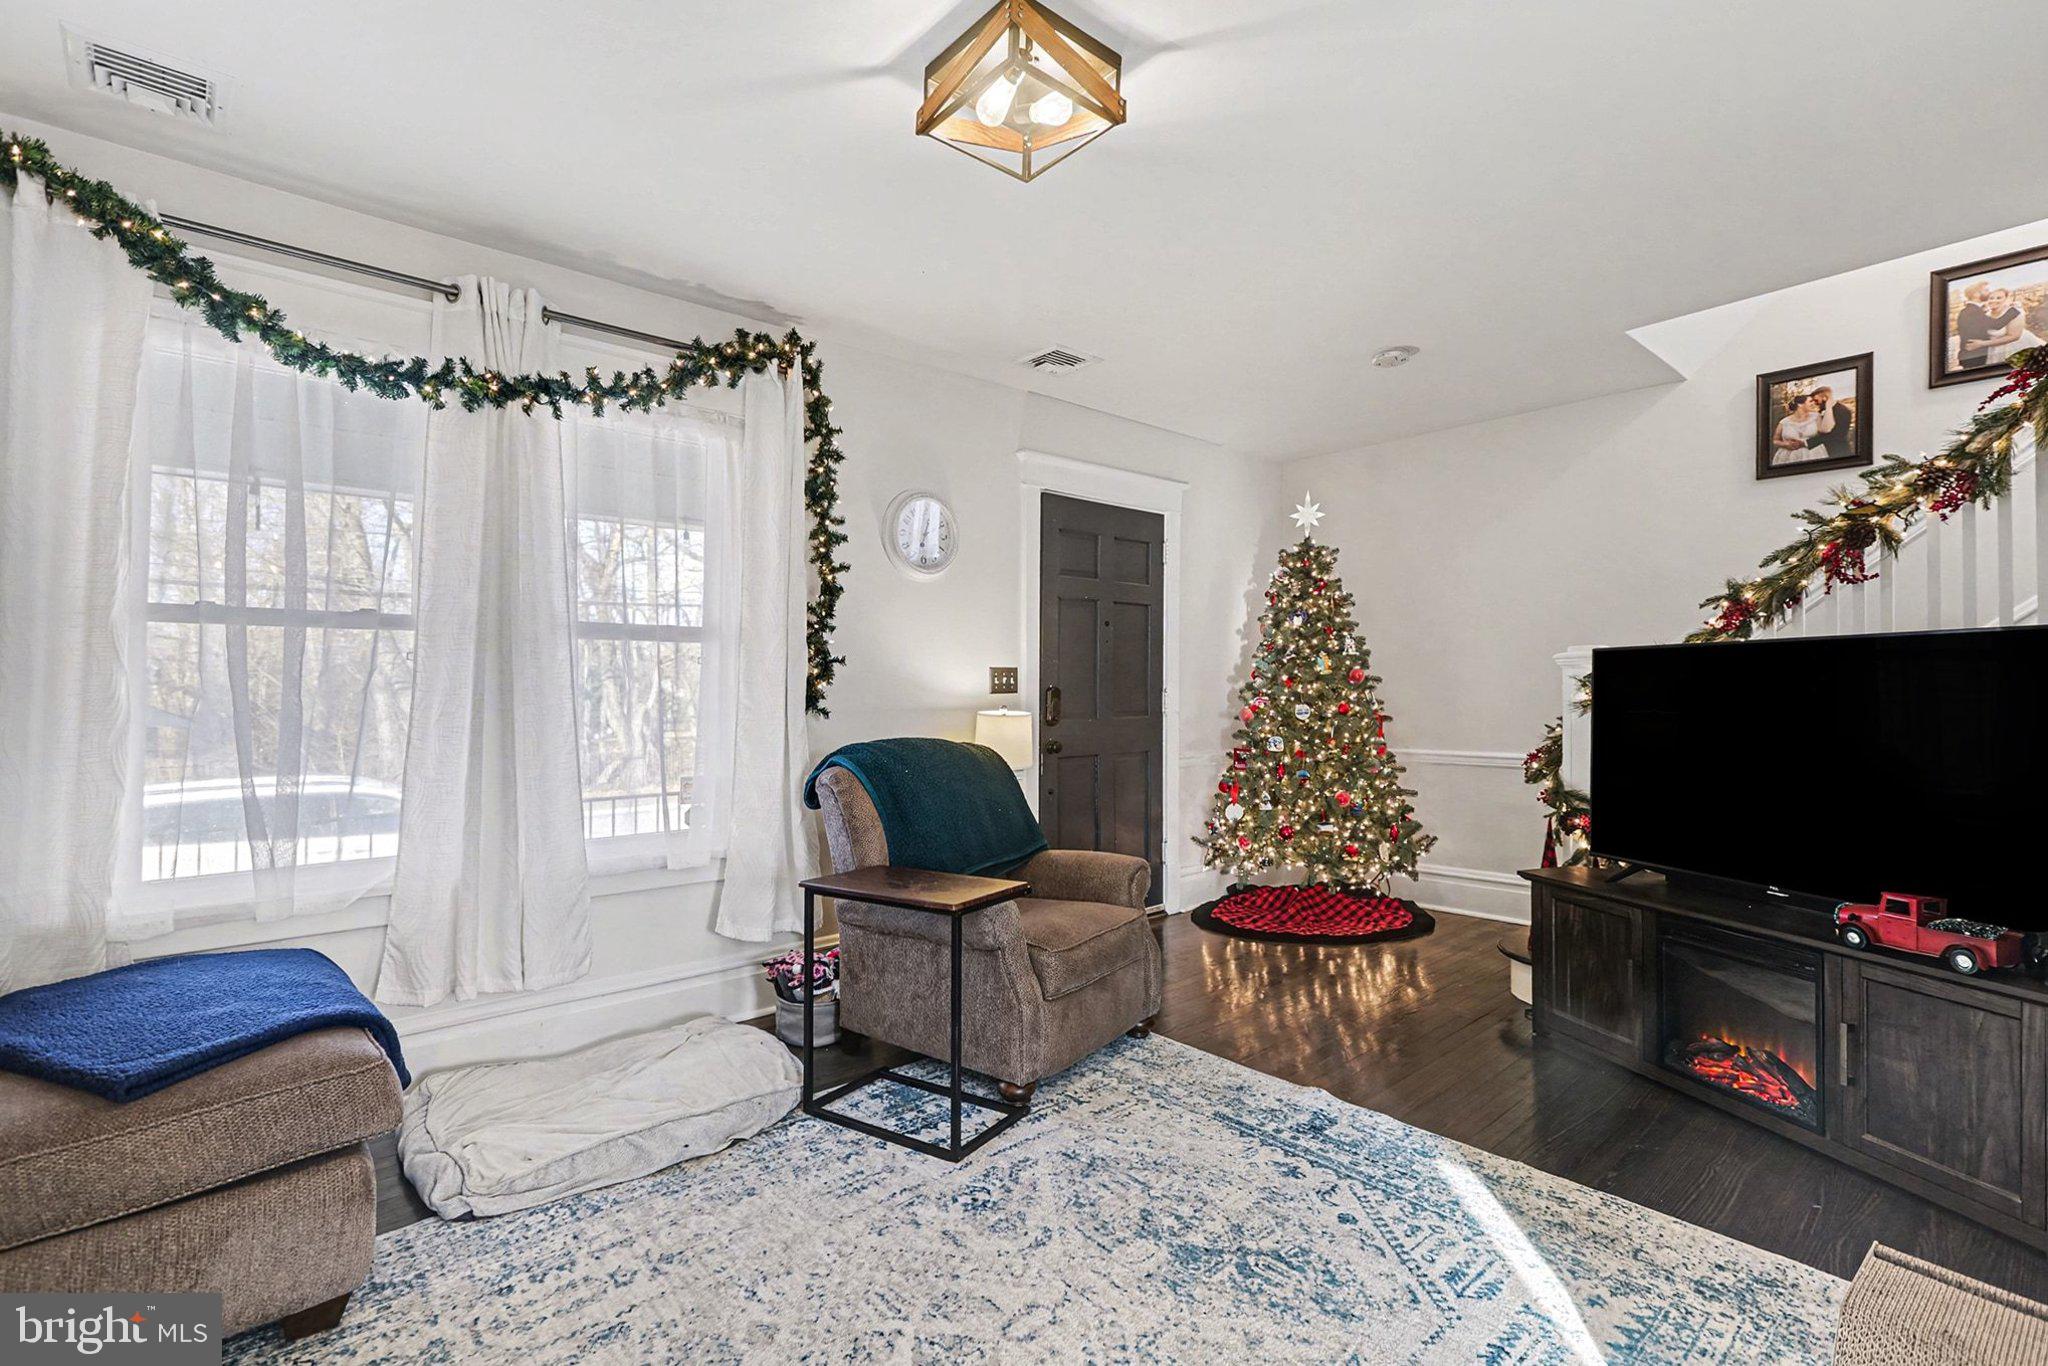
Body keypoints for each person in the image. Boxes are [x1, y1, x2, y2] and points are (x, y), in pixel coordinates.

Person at [1981, 287, 2044, 366]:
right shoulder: (1986, 315)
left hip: (2016, 345)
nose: (1994, 300)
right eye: (1991, 298)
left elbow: (2014, 336)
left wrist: (1983, 343)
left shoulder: (2014, 312)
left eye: (1999, 298)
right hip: (1995, 349)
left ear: (2006, 299)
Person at [1772, 392, 1826, 464]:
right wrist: (1785, 444)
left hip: (1813, 454)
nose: (1813, 403)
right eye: (1810, 401)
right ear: (1800, 404)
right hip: (1788, 457)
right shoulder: (1784, 422)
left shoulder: (1816, 417)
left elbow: (1823, 435)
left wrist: (1805, 443)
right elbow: (1775, 440)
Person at [1804, 386, 1855, 461]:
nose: (1815, 403)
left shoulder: (1843, 411)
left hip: (1838, 452)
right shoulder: (1822, 410)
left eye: (1816, 400)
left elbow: (1836, 435)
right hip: (1822, 452)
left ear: (1825, 397)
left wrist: (1807, 443)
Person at [1954, 281, 1996, 371]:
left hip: (1977, 355)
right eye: (1986, 290)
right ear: (1976, 294)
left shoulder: (1976, 310)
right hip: (1974, 357)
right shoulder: (1970, 312)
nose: (1989, 292)